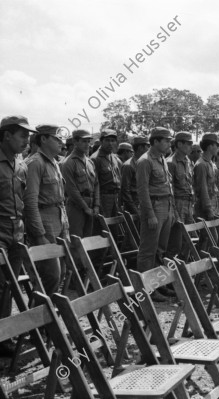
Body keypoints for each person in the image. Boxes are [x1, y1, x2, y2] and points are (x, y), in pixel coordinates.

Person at [0, 116, 35, 356]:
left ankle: (2, 336)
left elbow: (24, 201)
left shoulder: (21, 163)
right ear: (6, 135)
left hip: (17, 233)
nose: (27, 141)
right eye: (23, 135)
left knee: (8, 287)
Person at [23, 124, 69, 296]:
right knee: (50, 275)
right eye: (56, 138)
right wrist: (39, 234)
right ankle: (39, 316)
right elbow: (30, 202)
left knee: (62, 272)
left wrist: (66, 227)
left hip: (59, 221)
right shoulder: (35, 163)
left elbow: (61, 199)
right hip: (44, 224)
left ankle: (48, 316)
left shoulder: (55, 163)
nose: (61, 143)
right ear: (43, 139)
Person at [136, 127, 174, 301]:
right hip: (154, 206)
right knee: (148, 251)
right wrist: (150, 214)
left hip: (166, 205)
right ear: (156, 141)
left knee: (160, 250)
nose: (168, 143)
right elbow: (142, 191)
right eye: (166, 140)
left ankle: (159, 285)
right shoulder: (145, 161)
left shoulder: (162, 159)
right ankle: (147, 290)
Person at [61, 129, 99, 241]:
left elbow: (96, 184)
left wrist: (96, 205)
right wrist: (85, 207)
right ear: (75, 142)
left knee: (88, 241)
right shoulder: (68, 163)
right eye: (84, 141)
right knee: (76, 241)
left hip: (90, 205)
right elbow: (71, 190)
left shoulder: (90, 162)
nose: (87, 144)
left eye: (88, 141)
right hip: (76, 206)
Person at [166, 131, 195, 259]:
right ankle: (171, 273)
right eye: (188, 143)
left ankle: (183, 269)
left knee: (191, 239)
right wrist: (175, 212)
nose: (191, 146)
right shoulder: (170, 163)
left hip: (188, 204)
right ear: (179, 144)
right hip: (177, 203)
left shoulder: (188, 161)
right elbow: (169, 191)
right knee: (175, 243)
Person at [91, 129, 121, 217]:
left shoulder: (115, 158)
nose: (110, 143)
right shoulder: (95, 159)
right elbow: (94, 185)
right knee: (103, 226)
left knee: (116, 227)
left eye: (113, 140)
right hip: (103, 198)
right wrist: (97, 204)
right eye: (107, 140)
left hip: (115, 197)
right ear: (101, 141)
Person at [120, 136, 149, 215]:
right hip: (134, 206)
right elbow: (125, 191)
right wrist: (135, 210)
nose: (149, 149)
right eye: (147, 146)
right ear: (140, 148)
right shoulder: (128, 166)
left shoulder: (145, 163)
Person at [194, 133, 219, 219]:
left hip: (212, 204)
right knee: (207, 232)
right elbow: (203, 189)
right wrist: (208, 209)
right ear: (210, 147)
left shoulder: (210, 163)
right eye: (216, 145)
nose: (217, 148)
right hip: (204, 208)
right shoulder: (201, 164)